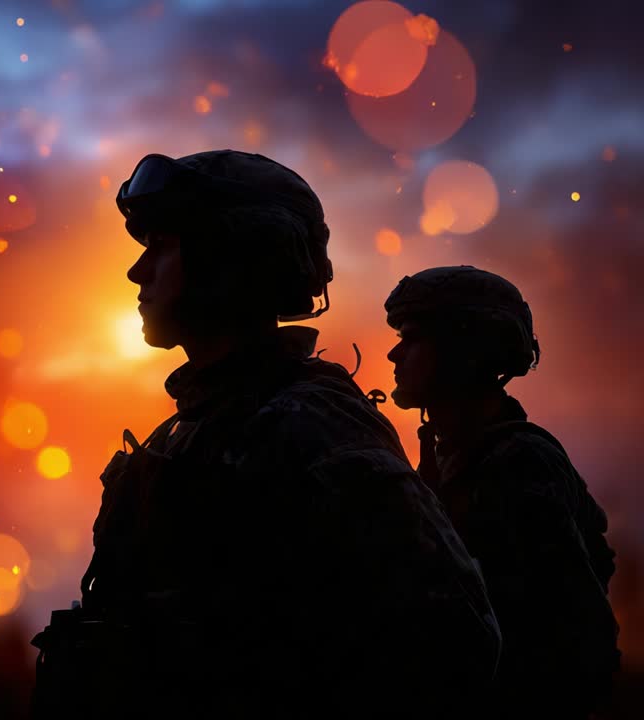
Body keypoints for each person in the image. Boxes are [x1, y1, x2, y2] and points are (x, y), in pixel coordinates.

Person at [31, 150, 500, 718]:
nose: (138, 271)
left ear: (229, 257)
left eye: (162, 246)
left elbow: (452, 637)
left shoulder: (313, 427)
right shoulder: (189, 431)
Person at [385, 266, 620, 718]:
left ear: (462, 352)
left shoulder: (519, 463)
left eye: (413, 338)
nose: (395, 354)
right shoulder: (450, 454)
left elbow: (573, 637)